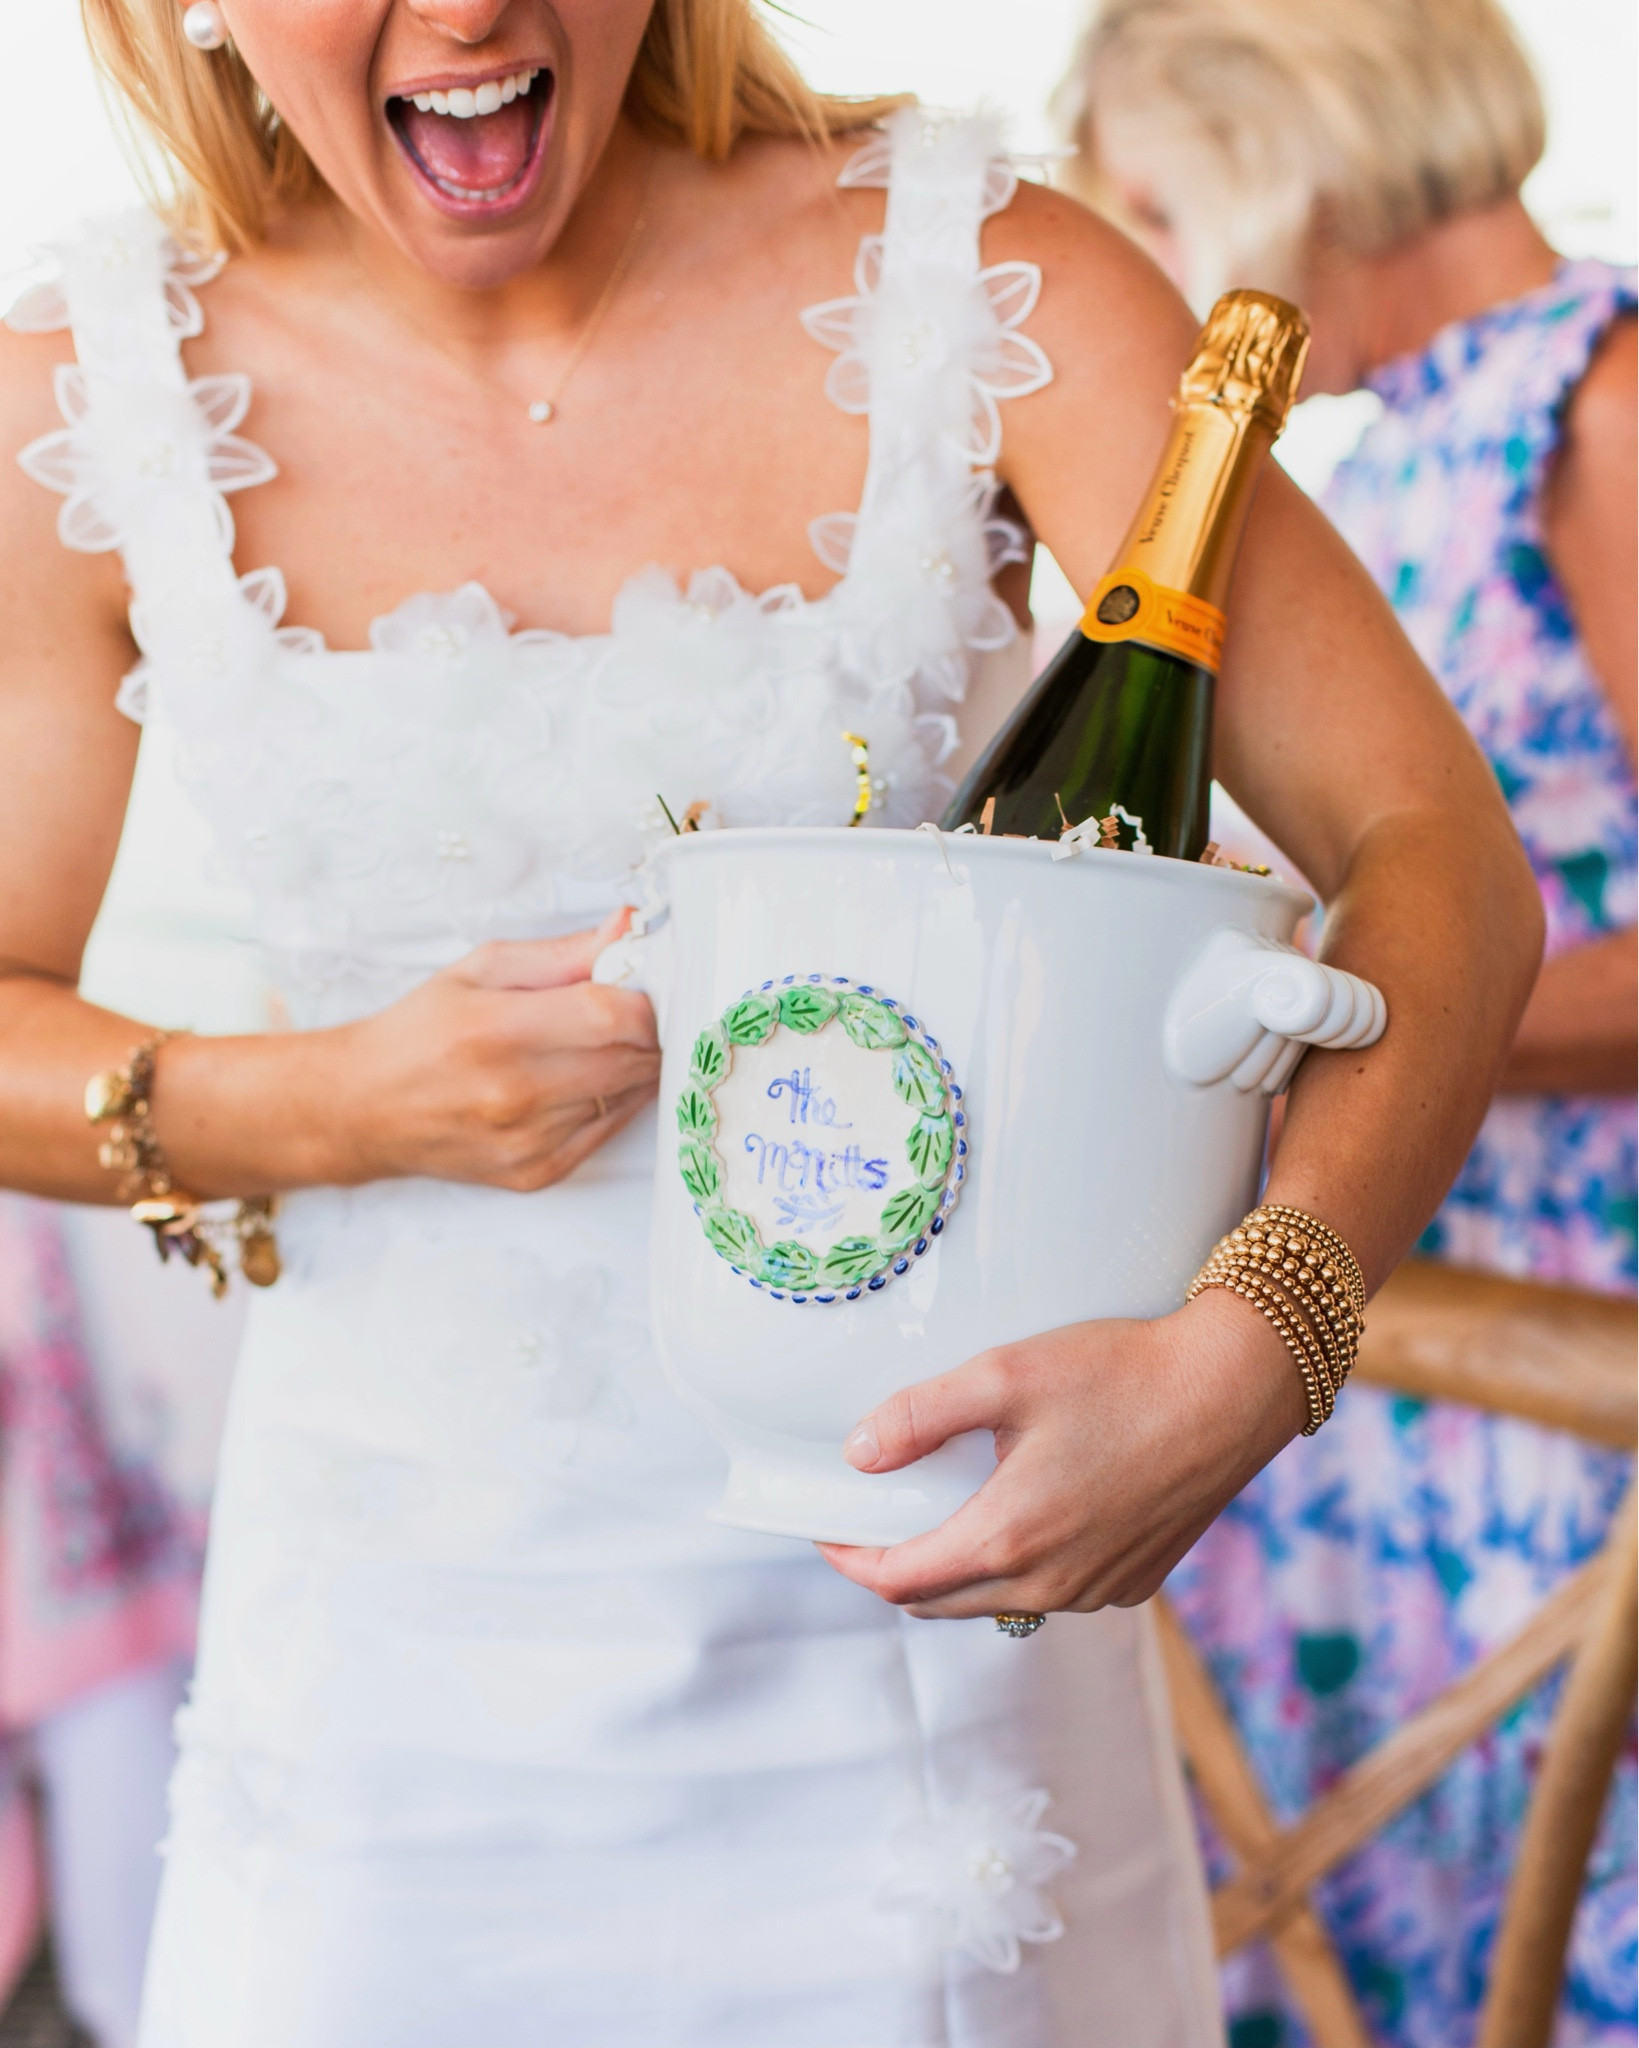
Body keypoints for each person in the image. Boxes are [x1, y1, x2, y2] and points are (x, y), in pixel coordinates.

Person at [0, 0, 1539, 2040]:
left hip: (942, 1649)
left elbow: (1433, 850)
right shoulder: (83, 400)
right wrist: (329, 1101)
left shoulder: (1000, 280)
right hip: (392, 1709)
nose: (464, 10)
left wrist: (1264, 1336)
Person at [1057, 2, 1637, 2042]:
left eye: (1147, 201)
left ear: (1284, 132)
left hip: (1567, 1346)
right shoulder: (1406, 447)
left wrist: (1375, 997)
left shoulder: (1607, 403)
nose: (1130, 270)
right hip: (1387, 1312)